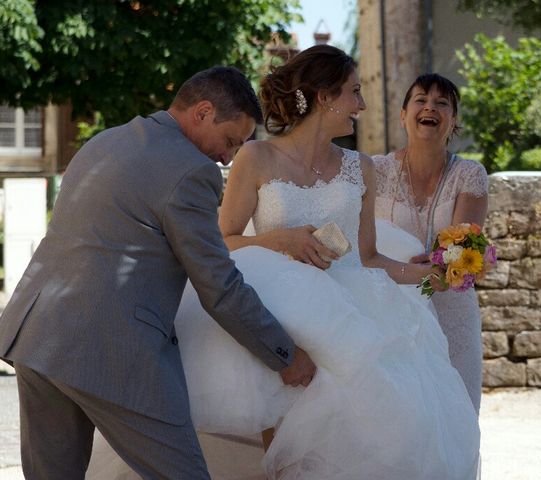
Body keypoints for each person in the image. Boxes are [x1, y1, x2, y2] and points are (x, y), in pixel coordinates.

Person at [88, 46, 480, 480]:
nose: (361, 106)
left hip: (351, 315)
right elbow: (220, 242)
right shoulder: (256, 158)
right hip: (278, 315)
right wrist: (278, 241)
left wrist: (430, 279)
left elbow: (369, 258)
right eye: (354, 92)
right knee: (281, 440)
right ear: (323, 96)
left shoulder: (361, 168)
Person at [0, 66, 316, 479]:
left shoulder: (106, 141)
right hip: (113, 349)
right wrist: (284, 354)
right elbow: (218, 286)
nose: (228, 157)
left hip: (37, 335)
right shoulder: (192, 171)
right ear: (203, 112)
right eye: (230, 141)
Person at [373, 73, 489, 414]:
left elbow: (465, 250)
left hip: (452, 312)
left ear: (453, 121)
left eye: (442, 103)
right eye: (421, 100)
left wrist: (451, 263)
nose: (430, 108)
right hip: (390, 312)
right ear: (403, 114)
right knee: (400, 418)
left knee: (457, 413)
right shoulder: (374, 170)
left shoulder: (470, 175)